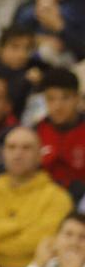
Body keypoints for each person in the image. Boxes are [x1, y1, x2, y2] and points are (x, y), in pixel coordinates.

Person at [0, 126, 74, 267]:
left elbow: (38, 243)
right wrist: (19, 225)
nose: (18, 154)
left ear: (40, 155)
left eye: (26, 148)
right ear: (3, 154)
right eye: (11, 147)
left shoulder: (58, 199)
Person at [33, 67, 85, 199]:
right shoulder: (36, 132)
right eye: (51, 99)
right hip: (42, 200)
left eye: (65, 98)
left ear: (77, 98)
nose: (58, 106)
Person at [15, 212, 85, 267]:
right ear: (56, 238)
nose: (74, 242)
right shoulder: (45, 266)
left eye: (82, 237)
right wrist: (38, 265)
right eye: (68, 234)